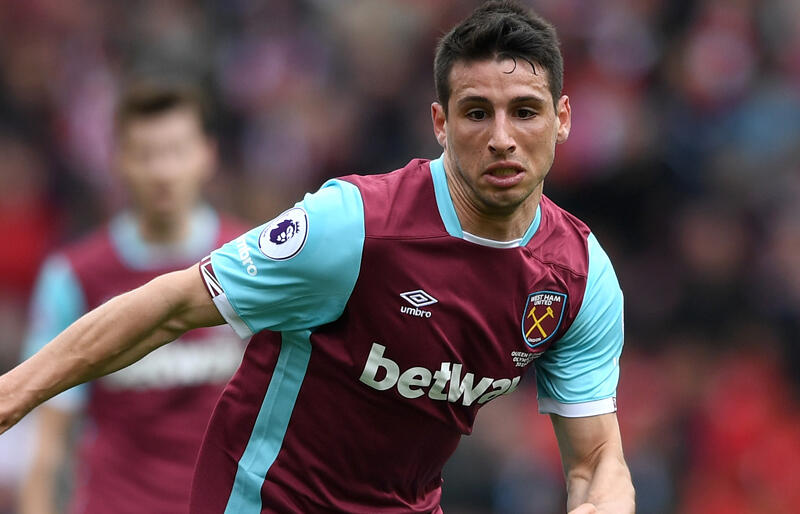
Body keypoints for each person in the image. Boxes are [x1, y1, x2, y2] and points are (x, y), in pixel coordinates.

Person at [1, 2, 635, 513]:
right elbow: (174, 304)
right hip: (271, 501)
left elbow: (596, 459)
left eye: (525, 112)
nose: (501, 138)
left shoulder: (580, 277)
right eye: (476, 113)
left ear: (562, 119)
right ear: (440, 124)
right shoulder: (354, 227)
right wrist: (11, 395)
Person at [16, 83, 246, 514]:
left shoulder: (252, 264)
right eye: (146, 154)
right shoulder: (74, 277)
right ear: (118, 160)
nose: (162, 171)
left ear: (207, 154)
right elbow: (48, 446)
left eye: (176, 151)